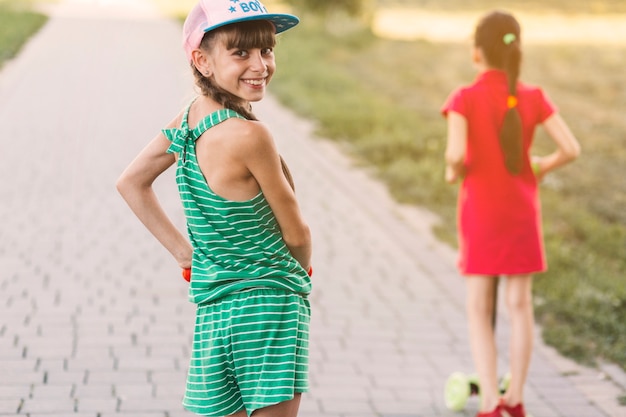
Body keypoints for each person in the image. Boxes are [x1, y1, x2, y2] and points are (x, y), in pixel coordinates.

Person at [116, 1, 312, 416]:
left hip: (215, 310)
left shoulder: (189, 119)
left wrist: (185, 255)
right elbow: (297, 233)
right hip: (269, 306)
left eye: (267, 50)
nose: (260, 64)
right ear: (202, 61)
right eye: (240, 53)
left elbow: (131, 182)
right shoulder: (250, 136)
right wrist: (301, 276)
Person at [441, 10, 580, 417]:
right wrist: (539, 165)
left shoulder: (464, 98)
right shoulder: (533, 96)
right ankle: (516, 397)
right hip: (521, 215)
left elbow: (454, 154)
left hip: (481, 215)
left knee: (479, 309)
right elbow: (571, 148)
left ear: (476, 54)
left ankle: (489, 401)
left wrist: (453, 171)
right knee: (520, 306)